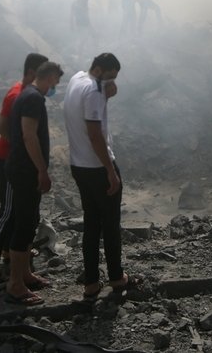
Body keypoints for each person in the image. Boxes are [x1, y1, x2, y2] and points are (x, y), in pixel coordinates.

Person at [63, 53, 141, 301]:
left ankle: (91, 283)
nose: (110, 83)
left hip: (79, 165)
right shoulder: (95, 91)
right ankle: (117, 277)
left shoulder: (77, 79)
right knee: (110, 224)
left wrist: (106, 91)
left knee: (91, 223)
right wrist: (110, 170)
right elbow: (95, 133)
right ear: (98, 70)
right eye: (109, 77)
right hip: (98, 167)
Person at [0, 60, 63, 306]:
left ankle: (25, 275)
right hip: (24, 171)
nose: (56, 87)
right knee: (24, 223)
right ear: (50, 77)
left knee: (28, 222)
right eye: (57, 81)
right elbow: (29, 136)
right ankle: (16, 285)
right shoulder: (33, 98)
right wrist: (42, 170)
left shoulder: (27, 94)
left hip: (21, 168)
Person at [0, 52, 49, 283]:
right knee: (8, 210)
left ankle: (11, 251)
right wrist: (21, 148)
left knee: (19, 210)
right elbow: (1, 126)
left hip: (18, 161)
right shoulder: (17, 94)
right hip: (8, 160)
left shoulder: (29, 93)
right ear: (31, 73)